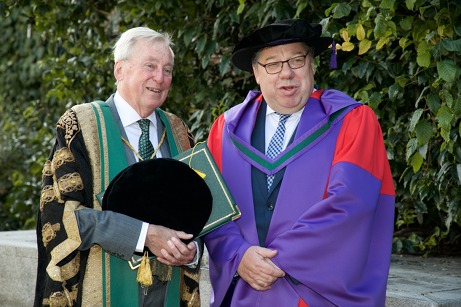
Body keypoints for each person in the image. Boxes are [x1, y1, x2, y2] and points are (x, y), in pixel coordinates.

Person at [204, 19, 395, 306]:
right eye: (272, 64)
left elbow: (350, 204)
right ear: (256, 73)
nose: (286, 74)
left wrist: (274, 260)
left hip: (316, 296)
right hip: (243, 293)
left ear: (312, 65)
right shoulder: (225, 130)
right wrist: (238, 256)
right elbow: (211, 206)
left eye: (296, 60)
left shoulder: (353, 122)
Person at [34, 27, 204, 307]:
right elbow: (61, 216)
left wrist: (192, 250)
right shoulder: (81, 126)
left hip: (167, 292)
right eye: (150, 66)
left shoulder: (180, 133)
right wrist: (145, 235)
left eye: (168, 69)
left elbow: (203, 214)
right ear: (119, 70)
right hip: (100, 291)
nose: (160, 78)